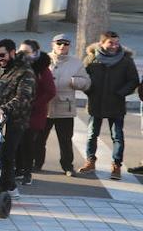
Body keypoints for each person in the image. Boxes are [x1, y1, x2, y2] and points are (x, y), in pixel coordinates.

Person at [79, 31, 140, 180]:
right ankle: (90, 161)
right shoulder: (92, 59)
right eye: (110, 43)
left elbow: (133, 80)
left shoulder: (126, 60)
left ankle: (116, 165)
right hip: (96, 103)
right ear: (102, 43)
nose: (114, 46)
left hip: (116, 104)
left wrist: (120, 93)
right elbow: (83, 77)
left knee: (117, 136)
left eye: (117, 43)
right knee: (92, 135)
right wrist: (90, 91)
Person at [0, 39, 36, 196]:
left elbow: (23, 97)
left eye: (2, 55)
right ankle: (10, 186)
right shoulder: (4, 69)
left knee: (8, 155)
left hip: (16, 120)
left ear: (12, 52)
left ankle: (5, 189)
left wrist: (3, 109)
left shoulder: (25, 71)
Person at [42, 34, 90, 176]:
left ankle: (67, 166)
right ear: (53, 44)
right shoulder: (44, 59)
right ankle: (36, 163)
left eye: (66, 44)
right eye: (59, 43)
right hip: (45, 106)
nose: (62, 46)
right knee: (38, 138)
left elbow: (87, 82)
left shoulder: (76, 63)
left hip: (65, 107)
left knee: (65, 140)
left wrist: (74, 81)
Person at [19, 50, 56, 185]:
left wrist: (34, 104)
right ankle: (17, 170)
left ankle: (27, 172)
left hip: (33, 113)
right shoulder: (18, 66)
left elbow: (51, 91)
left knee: (28, 143)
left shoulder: (42, 69)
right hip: (17, 110)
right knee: (15, 143)